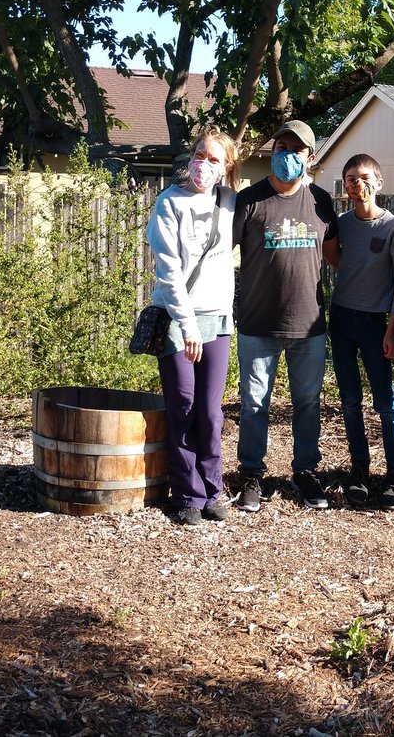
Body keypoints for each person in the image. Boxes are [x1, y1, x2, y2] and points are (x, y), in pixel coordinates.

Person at [233, 120, 339, 512]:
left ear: (310, 157)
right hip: (257, 323)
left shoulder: (321, 201)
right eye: (281, 147)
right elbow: (219, 251)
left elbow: (336, 256)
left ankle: (305, 472)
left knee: (307, 403)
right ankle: (251, 474)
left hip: (309, 324)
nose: (287, 155)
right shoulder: (250, 199)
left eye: (296, 150)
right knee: (254, 404)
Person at [144, 127, 239, 526]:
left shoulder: (231, 201)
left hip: (218, 319)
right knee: (182, 406)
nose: (204, 164)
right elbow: (168, 273)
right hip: (178, 320)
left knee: (210, 412)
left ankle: (213, 489)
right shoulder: (169, 202)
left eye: (214, 159)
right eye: (200, 155)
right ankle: (187, 494)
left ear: (226, 167)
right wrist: (187, 327)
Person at [329, 153, 394, 510]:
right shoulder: (341, 224)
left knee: (385, 403)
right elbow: (335, 258)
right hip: (342, 318)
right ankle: (359, 469)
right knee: (349, 401)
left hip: (377, 323)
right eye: (350, 179)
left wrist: (393, 329)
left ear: (379, 182)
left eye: (363, 177)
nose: (357, 184)